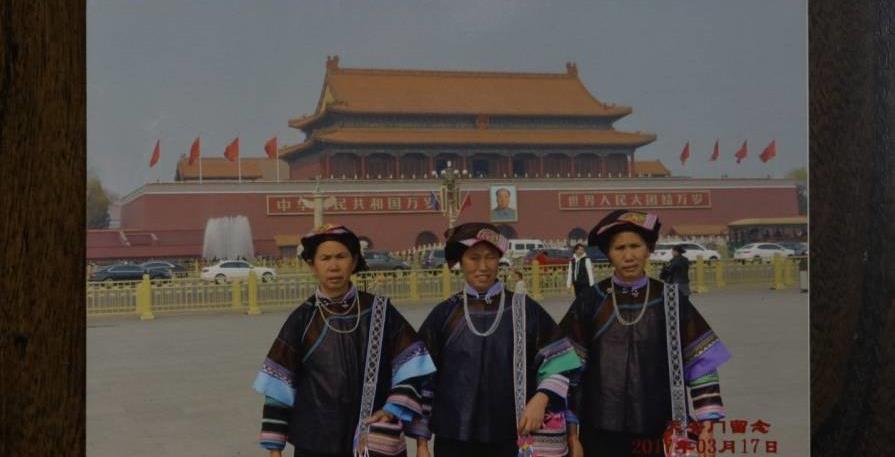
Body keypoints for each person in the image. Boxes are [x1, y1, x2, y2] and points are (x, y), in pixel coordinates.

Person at [252, 224, 436, 457]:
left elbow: (414, 367)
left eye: (341, 256)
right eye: (325, 258)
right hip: (316, 443)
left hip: (373, 441)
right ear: (312, 265)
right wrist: (274, 450)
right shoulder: (303, 318)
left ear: (354, 260)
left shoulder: (379, 311)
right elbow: (278, 387)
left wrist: (392, 408)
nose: (333, 266)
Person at [558, 210, 731, 457]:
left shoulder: (671, 299)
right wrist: (572, 434)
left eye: (635, 246)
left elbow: (701, 363)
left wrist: (707, 427)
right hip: (599, 428)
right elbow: (568, 370)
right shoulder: (590, 301)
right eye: (619, 248)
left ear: (648, 249)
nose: (629, 256)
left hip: (660, 427)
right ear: (608, 253)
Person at [413, 222, 582, 457]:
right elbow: (424, 380)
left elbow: (561, 362)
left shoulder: (524, 309)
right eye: (473, 258)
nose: (483, 266)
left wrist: (541, 399)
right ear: (460, 262)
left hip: (514, 437)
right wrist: (422, 443)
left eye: (490, 257)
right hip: (454, 437)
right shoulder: (444, 314)